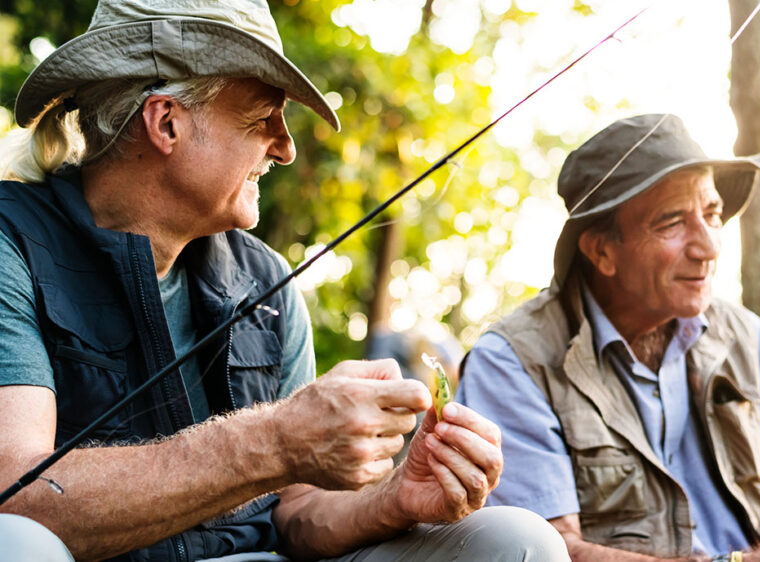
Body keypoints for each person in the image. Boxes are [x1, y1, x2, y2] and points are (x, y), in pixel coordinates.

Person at [0, 1, 569, 560]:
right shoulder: (12, 242)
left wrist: (395, 498)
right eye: (260, 119)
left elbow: (296, 513)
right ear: (166, 122)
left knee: (517, 540)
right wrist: (274, 440)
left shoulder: (265, 278)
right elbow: (15, 499)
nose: (286, 146)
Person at [457, 113, 760, 561]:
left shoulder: (749, 338)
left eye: (712, 214)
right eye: (672, 222)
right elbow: (552, 552)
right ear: (601, 251)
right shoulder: (513, 362)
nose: (708, 246)